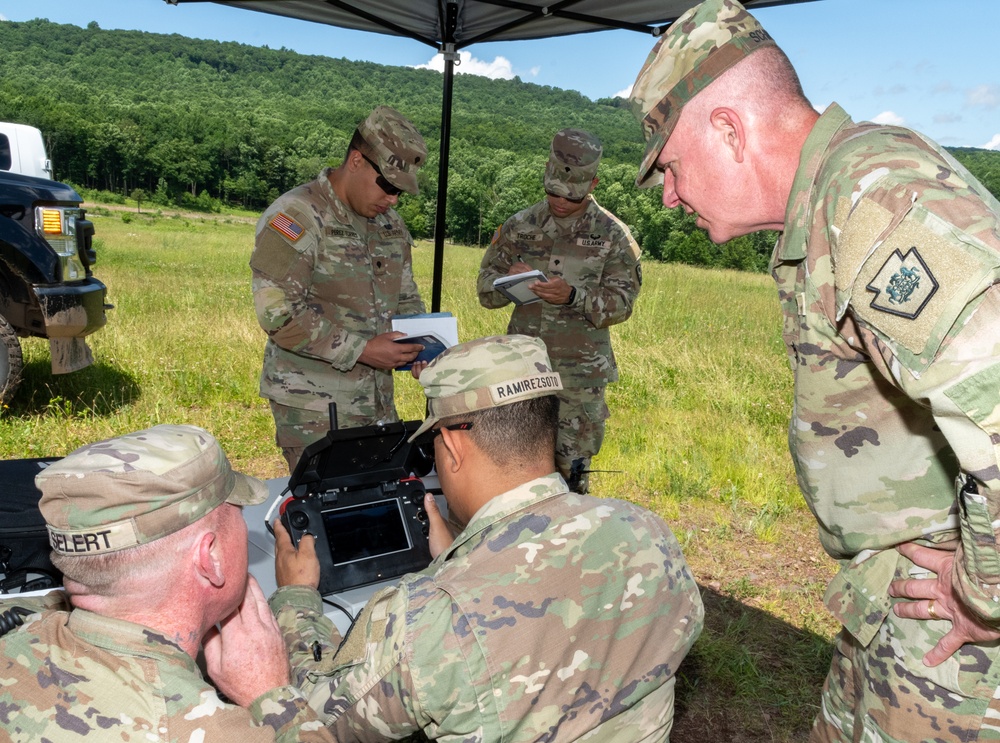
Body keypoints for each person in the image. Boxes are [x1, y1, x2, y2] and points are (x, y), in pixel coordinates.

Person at [628, 0, 1000, 740]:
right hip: (890, 608)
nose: (670, 195)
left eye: (670, 167)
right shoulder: (829, 201)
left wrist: (985, 594)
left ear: (729, 130)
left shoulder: (872, 194)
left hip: (952, 645)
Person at [269, 334, 703, 741]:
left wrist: (295, 598)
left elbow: (319, 718)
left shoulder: (429, 621)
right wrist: (454, 563)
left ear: (454, 449)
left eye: (432, 445)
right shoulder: (648, 532)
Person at [0, 424, 335, 743]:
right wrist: (272, 695)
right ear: (209, 558)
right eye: (237, 511)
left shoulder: (15, 627)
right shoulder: (204, 729)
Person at [252, 105, 429, 472]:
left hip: (377, 401)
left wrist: (423, 345)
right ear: (356, 161)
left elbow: (406, 296)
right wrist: (363, 350)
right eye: (388, 186)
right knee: (326, 514)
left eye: (401, 192)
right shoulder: (296, 216)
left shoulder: (389, 224)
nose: (393, 199)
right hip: (315, 406)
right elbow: (277, 313)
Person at [476, 129, 642, 493]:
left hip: (578, 380)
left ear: (593, 183)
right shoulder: (520, 226)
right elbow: (485, 292)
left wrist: (573, 297)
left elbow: (622, 304)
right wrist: (507, 278)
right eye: (553, 191)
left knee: (570, 481)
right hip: (521, 373)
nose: (560, 201)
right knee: (512, 474)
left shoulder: (613, 236)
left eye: (571, 195)